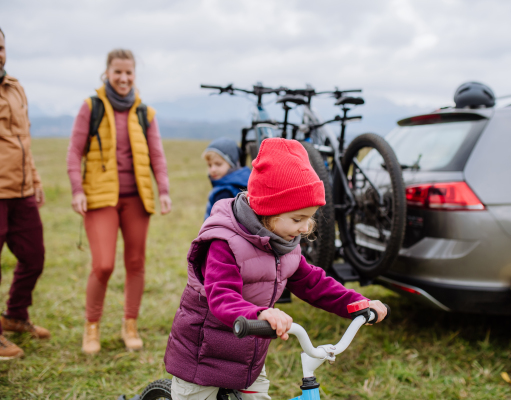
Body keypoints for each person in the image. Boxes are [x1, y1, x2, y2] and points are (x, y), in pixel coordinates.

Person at [164, 138, 387, 399]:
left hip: (247, 356)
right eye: (297, 218)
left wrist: (356, 303)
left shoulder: (284, 242)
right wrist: (259, 314)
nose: (305, 228)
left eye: (310, 218)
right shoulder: (224, 243)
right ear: (268, 211)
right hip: (203, 356)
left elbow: (313, 283)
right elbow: (221, 296)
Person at [67, 49, 172, 354]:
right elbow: (74, 152)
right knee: (103, 265)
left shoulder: (145, 113)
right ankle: (91, 327)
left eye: (129, 73)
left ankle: (130, 324)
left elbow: (157, 156)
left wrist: (163, 190)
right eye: (118, 72)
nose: (124, 78)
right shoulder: (92, 107)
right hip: (100, 199)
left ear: (134, 75)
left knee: (136, 263)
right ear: (107, 73)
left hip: (137, 200)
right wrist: (77, 189)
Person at [0, 27, 50, 360]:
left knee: (33, 256)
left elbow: (24, 139)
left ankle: (15, 316)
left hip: (21, 191)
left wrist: (34, 179)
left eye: (0, 47)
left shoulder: (15, 88)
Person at [203, 138, 251, 220]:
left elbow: (219, 222)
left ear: (232, 164)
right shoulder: (246, 180)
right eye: (210, 165)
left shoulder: (224, 192)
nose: (213, 169)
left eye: (218, 164)